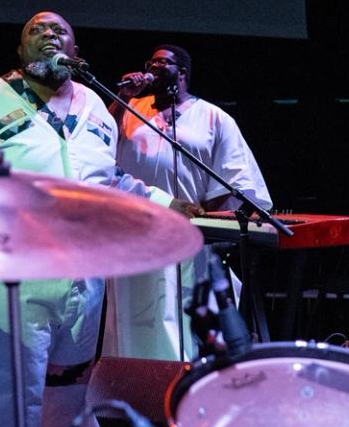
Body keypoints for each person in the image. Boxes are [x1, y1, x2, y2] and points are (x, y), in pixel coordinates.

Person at [0, 11, 178, 427]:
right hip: (9, 280)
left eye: (59, 30)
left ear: (75, 52)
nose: (48, 34)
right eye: (35, 30)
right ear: (20, 50)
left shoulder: (96, 105)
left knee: (70, 395)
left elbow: (107, 181)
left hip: (85, 279)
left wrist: (168, 202)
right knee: (10, 401)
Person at [102, 42, 271, 361]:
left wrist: (209, 225)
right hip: (134, 240)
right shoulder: (130, 111)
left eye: (161, 63)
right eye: (149, 61)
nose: (152, 67)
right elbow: (98, 144)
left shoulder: (213, 118)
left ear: (182, 73)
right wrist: (123, 98)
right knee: (136, 333)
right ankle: (141, 400)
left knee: (189, 332)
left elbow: (236, 181)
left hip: (192, 239)